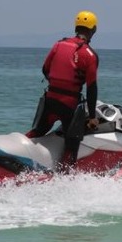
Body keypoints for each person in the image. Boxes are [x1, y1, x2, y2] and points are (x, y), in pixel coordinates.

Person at [26, 10, 100, 173]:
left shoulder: (59, 44)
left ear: (76, 26)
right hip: (70, 106)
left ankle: (15, 156)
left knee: (36, 133)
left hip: (50, 101)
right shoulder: (90, 55)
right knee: (72, 143)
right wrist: (93, 117)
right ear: (93, 30)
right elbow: (92, 88)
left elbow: (45, 69)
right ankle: (65, 177)